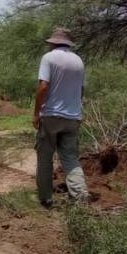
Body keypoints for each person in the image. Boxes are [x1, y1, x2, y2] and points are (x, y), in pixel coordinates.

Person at [33, 27, 88, 208]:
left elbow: (43, 87)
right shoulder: (79, 61)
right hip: (72, 118)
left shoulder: (48, 58)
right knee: (71, 158)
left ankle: (46, 199)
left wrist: (36, 113)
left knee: (45, 158)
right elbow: (81, 91)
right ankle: (80, 197)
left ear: (53, 43)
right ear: (68, 43)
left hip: (51, 115)